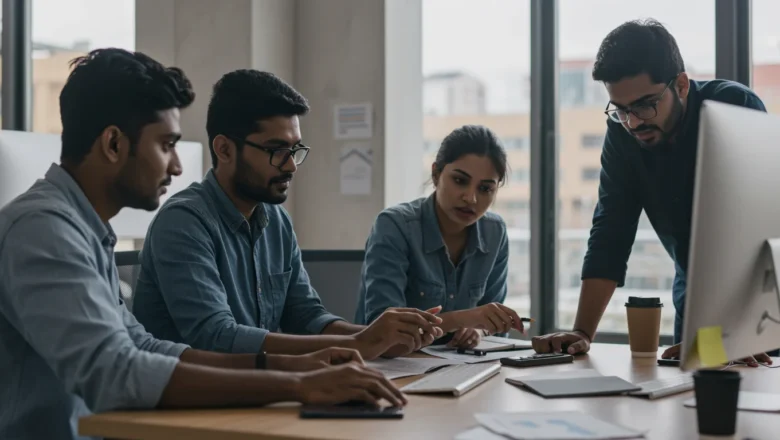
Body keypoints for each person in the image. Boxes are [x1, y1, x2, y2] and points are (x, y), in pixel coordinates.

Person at [0, 49, 407, 440]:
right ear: (112, 144)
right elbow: (116, 371)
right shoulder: (43, 229)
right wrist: (297, 382)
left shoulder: (85, 228)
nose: (177, 166)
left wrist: (293, 366)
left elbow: (142, 345)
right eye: (166, 145)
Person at [132, 69, 443, 361]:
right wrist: (359, 344)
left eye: (295, 150)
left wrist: (380, 340)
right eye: (277, 150)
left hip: (256, 396)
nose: (291, 165)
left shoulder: (276, 221)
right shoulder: (183, 222)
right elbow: (215, 337)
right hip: (188, 407)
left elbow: (306, 316)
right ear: (225, 150)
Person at [530, 19, 773, 366]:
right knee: (688, 411)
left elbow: (759, 231)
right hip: (696, 308)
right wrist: (582, 333)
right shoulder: (622, 135)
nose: (634, 122)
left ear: (682, 85)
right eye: (621, 109)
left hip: (763, 305)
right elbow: (610, 231)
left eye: (645, 105)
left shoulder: (734, 106)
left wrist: (741, 330)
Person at [354, 125, 526, 349]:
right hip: (389, 367)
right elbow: (387, 334)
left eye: (485, 189)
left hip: (459, 366)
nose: (471, 198)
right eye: (460, 181)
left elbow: (492, 322)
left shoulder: (495, 233)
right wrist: (465, 319)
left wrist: (478, 330)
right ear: (436, 174)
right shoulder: (395, 226)